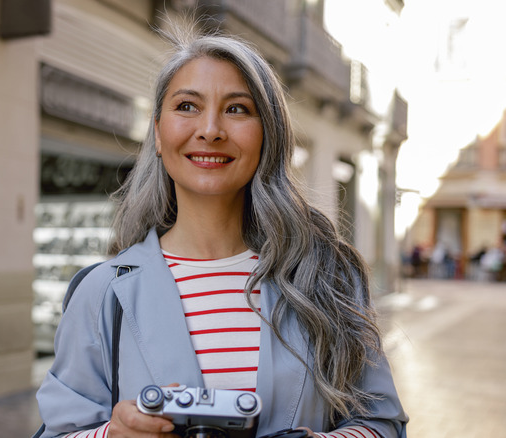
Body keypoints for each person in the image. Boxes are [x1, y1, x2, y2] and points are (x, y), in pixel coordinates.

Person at [35, 29, 408, 438]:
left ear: (267, 135)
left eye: (237, 109)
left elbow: (381, 424)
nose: (210, 129)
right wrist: (113, 435)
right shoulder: (102, 293)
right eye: (188, 106)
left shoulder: (327, 277)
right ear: (158, 133)